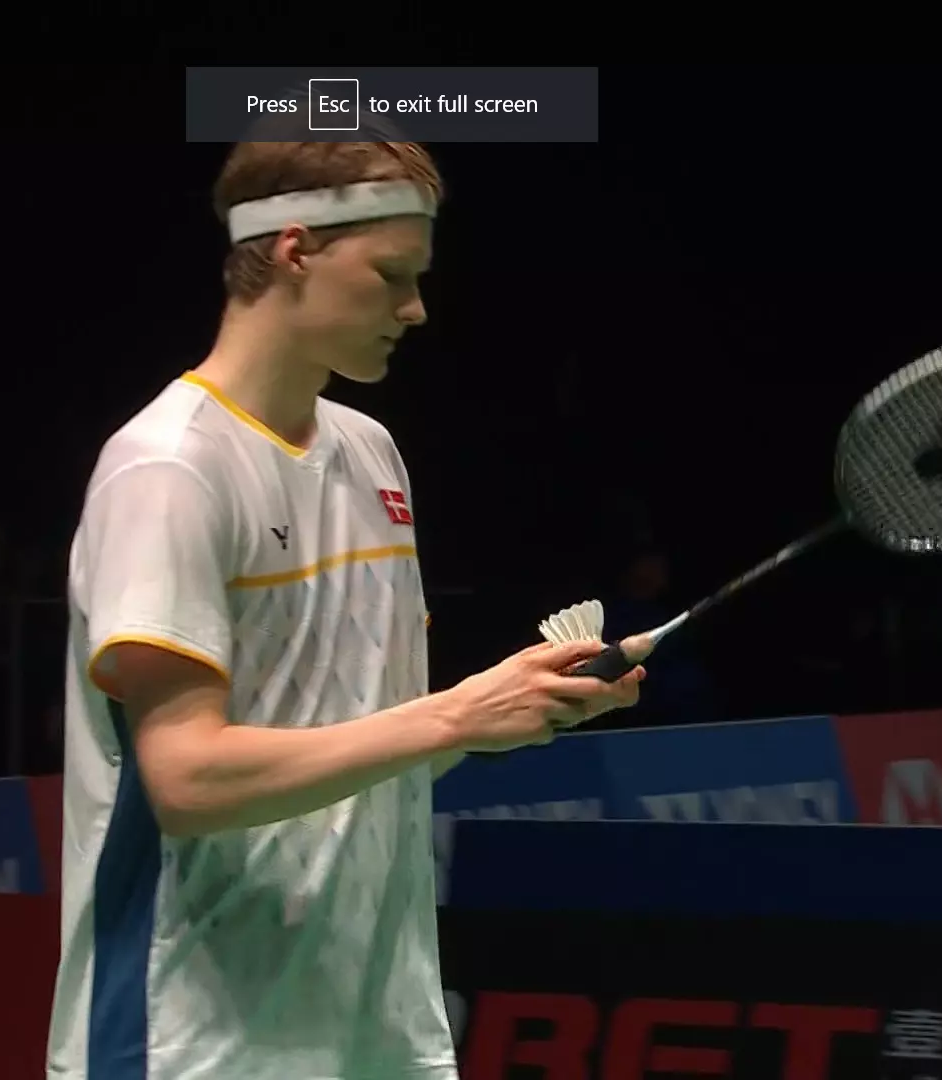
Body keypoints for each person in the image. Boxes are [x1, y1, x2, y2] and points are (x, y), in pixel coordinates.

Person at [48, 139, 644, 1080]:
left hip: (378, 1031)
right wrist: (451, 716)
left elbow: (367, 744)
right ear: (296, 249)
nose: (416, 309)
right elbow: (188, 782)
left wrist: (507, 706)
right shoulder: (169, 470)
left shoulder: (371, 454)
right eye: (392, 275)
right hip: (193, 1041)